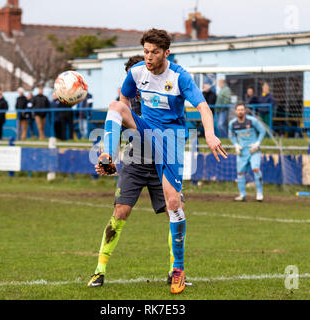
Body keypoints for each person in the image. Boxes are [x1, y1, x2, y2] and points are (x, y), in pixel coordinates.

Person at [90, 29, 227, 294]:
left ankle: (178, 269)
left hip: (171, 139)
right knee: (115, 106)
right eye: (145, 51)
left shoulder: (180, 76)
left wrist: (210, 135)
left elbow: (203, 107)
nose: (149, 57)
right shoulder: (136, 72)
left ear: (166, 52)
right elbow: (124, 99)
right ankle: (107, 156)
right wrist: (122, 133)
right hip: (145, 129)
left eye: (154, 52)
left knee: (173, 202)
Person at [88, 55, 191, 290]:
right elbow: (115, 121)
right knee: (121, 212)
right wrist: (107, 157)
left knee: (175, 210)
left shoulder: (162, 98)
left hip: (162, 163)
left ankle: (175, 271)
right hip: (135, 163)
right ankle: (99, 271)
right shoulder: (126, 104)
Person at [228, 102, 266, 202]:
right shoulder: (232, 124)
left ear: (245, 111)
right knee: (240, 173)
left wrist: (257, 143)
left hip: (253, 150)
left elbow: (262, 131)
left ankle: (259, 193)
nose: (240, 112)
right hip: (242, 152)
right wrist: (236, 145)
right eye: (238, 110)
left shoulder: (252, 121)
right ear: (236, 111)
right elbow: (231, 135)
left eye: (242, 109)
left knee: (256, 169)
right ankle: (242, 195)